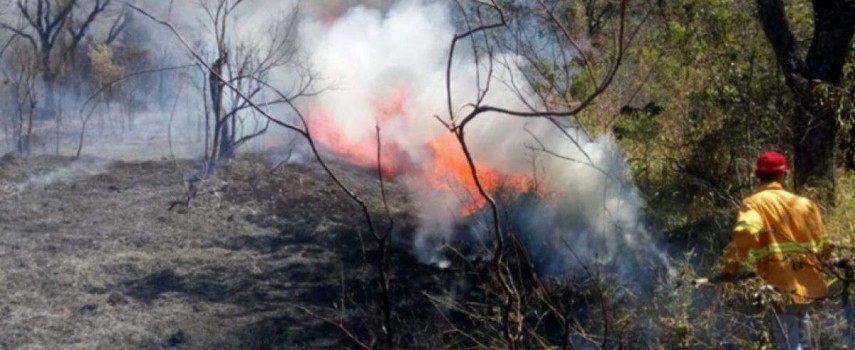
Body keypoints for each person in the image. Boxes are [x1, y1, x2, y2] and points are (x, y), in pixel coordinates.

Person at [717, 150, 829, 350]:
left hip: (782, 288)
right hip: (811, 286)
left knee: (788, 344)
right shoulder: (806, 204)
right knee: (804, 342)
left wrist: (732, 266)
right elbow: (823, 246)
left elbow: (746, 233)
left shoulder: (754, 204)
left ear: (757, 175)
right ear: (783, 174)